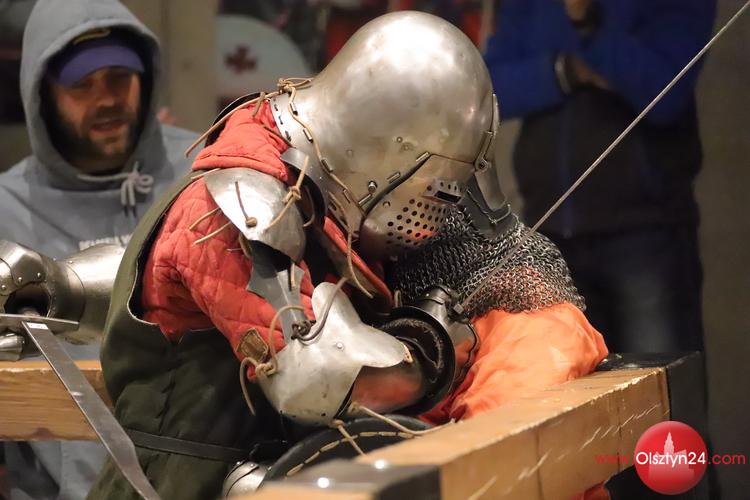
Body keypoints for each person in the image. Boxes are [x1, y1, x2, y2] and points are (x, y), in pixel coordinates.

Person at [85, 12, 606, 500]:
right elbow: (316, 377)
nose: (436, 216)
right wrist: (439, 347)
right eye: (435, 191)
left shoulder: (314, 181)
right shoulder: (250, 202)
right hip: (175, 486)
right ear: (388, 154)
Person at [0, 0, 198, 498]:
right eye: (81, 85)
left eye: (118, 78)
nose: (106, 99)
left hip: (204, 478)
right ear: (42, 95)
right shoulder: (6, 209)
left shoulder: (200, 171)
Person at [484, 0, 716, 354]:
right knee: (561, 380)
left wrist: (588, 24)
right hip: (549, 233)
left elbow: (665, 91)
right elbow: (492, 89)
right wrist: (567, 71)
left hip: (646, 232)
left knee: (660, 380)